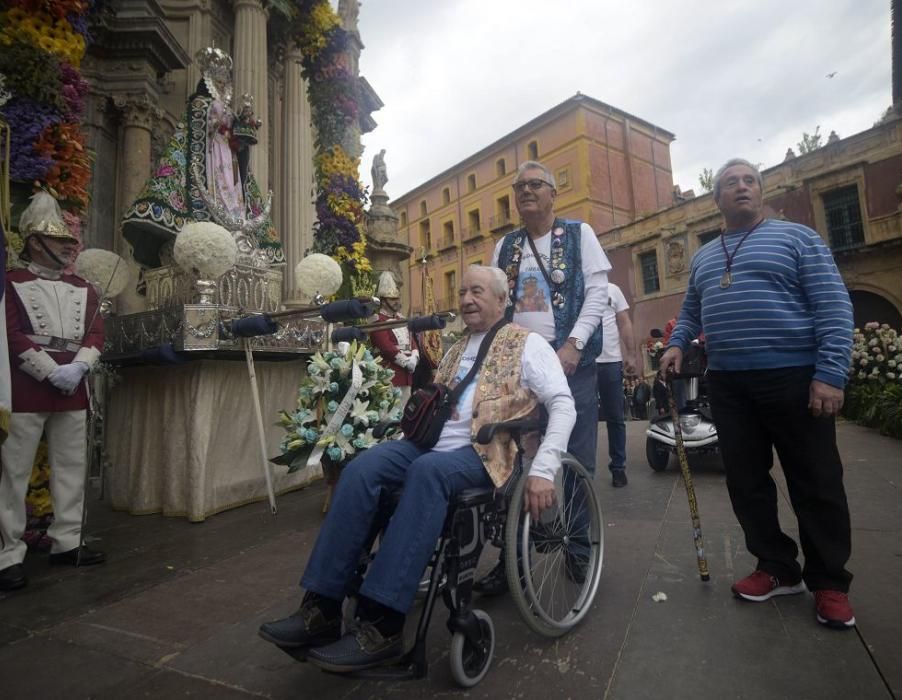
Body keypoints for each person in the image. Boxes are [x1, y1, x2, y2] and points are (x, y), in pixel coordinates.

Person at [257, 266, 575, 671]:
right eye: (462, 292)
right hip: (424, 446)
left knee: (429, 473)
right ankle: (320, 608)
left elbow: (563, 404)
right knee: (362, 468)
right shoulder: (456, 347)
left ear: (501, 299)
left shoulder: (529, 345)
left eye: (476, 291)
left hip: (483, 455)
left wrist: (544, 469)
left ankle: (382, 626)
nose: (466, 299)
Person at [659, 158, 856, 630]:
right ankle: (776, 567)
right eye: (730, 183)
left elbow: (833, 305)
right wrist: (675, 344)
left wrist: (830, 374)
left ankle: (829, 581)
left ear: (761, 191)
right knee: (746, 482)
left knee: (815, 481)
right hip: (729, 384)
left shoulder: (799, 238)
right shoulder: (705, 257)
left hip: (794, 377)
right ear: (717, 200)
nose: (741, 188)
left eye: (749, 181)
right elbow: (691, 312)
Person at [479, 160, 610, 593]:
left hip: (571, 361)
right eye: (519, 187)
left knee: (577, 457)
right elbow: (496, 300)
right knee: (508, 460)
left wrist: (573, 344)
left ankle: (577, 549)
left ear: (554, 193)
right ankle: (511, 558)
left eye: (536, 185)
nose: (526, 192)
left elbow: (597, 294)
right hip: (517, 367)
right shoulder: (505, 246)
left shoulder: (579, 235)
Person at [0, 192, 106, 591]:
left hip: (73, 385)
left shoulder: (85, 288)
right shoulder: (9, 283)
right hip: (26, 386)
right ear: (35, 242)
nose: (69, 246)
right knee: (13, 472)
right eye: (59, 240)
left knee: (72, 469)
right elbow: (10, 334)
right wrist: (49, 371)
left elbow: (95, 332)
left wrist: (79, 367)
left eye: (69, 241)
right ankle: (4, 554)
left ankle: (67, 541)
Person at [122, 46, 281, 269]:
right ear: (209, 81)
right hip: (210, 155)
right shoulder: (199, 104)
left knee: (234, 190)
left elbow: (239, 135)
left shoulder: (228, 110)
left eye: (225, 81)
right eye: (218, 81)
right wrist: (216, 124)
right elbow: (198, 128)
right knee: (216, 185)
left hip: (229, 157)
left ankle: (235, 222)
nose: (223, 85)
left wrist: (244, 124)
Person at [596, 282, 636, 487]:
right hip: (582, 362)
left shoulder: (613, 289)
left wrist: (630, 353)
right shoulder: (574, 284)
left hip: (610, 361)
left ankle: (618, 467)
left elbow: (624, 322)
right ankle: (582, 469)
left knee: (616, 417)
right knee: (580, 418)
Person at [369, 271, 418, 403]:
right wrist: (406, 362)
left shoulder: (402, 319)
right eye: (392, 299)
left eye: (397, 298)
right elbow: (386, 347)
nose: (396, 302)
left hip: (407, 374)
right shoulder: (377, 321)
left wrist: (414, 357)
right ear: (383, 301)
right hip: (389, 374)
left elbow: (412, 341)